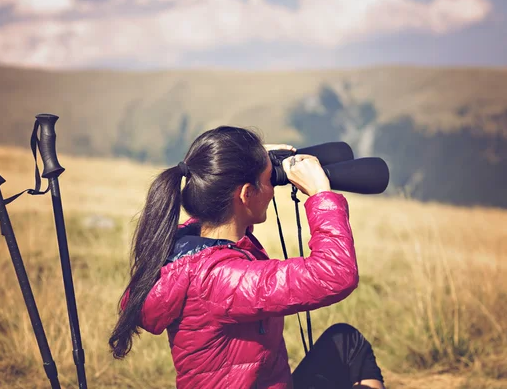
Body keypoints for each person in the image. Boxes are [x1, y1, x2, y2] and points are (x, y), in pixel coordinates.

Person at [109, 126, 385, 388]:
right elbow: (335, 274)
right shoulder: (222, 280)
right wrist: (320, 194)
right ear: (245, 193)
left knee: (347, 342)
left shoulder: (185, 250)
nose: (273, 189)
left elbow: (223, 210)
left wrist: (251, 160)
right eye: (269, 181)